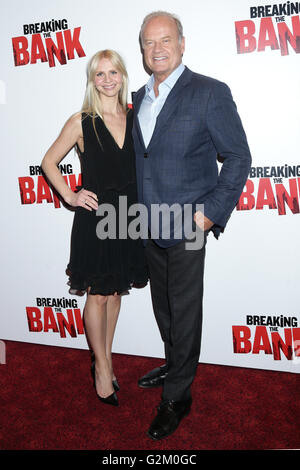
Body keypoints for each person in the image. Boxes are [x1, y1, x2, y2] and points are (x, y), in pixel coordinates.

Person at [132, 11, 252, 439]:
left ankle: (178, 396)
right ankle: (174, 363)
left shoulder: (209, 92)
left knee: (183, 310)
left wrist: (209, 214)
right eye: (149, 42)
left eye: (166, 40)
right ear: (142, 50)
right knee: (163, 306)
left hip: (188, 223)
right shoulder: (137, 98)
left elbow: (238, 156)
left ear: (182, 44)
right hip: (146, 223)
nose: (158, 48)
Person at [42, 49, 148, 407]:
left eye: (113, 73)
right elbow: (49, 162)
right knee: (98, 295)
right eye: (99, 74)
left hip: (129, 218)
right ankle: (102, 367)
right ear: (92, 80)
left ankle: (106, 357)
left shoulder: (137, 117)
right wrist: (71, 196)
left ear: (122, 76)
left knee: (115, 294)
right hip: (97, 219)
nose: (107, 80)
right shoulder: (81, 120)